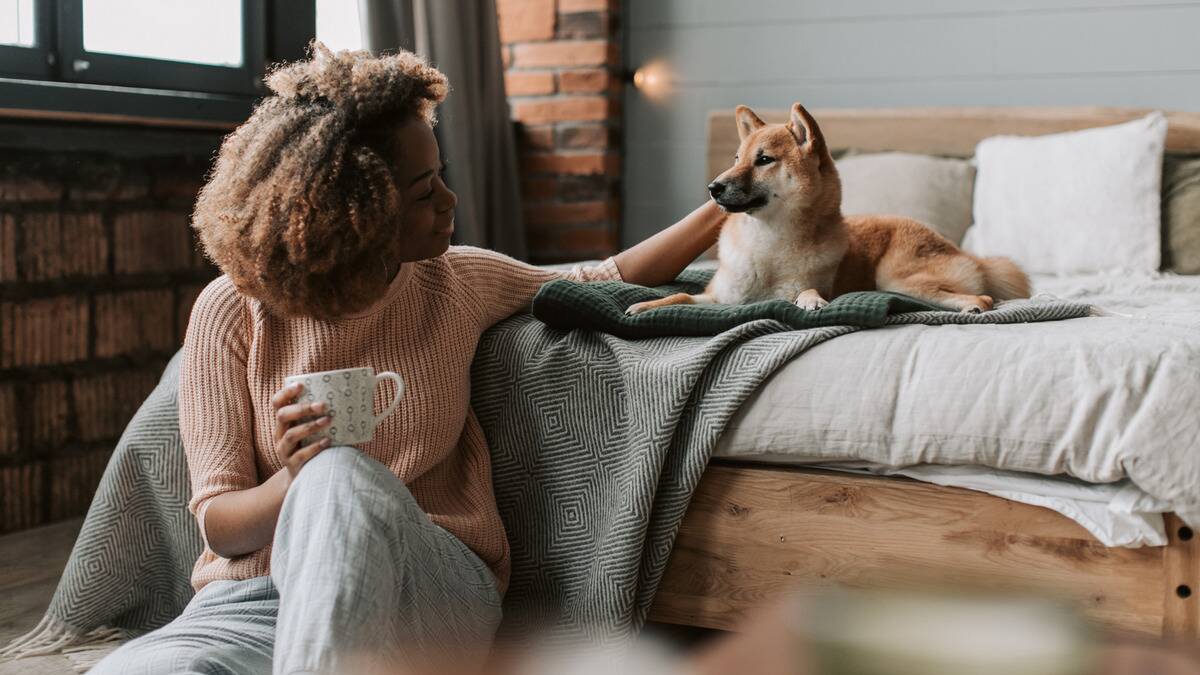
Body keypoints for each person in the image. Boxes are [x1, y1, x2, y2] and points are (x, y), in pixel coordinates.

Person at [90, 43, 723, 675]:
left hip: (424, 593)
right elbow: (222, 529)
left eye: (440, 178)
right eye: (424, 193)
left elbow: (601, 276)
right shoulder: (230, 311)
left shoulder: (457, 282)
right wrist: (291, 477)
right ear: (353, 212)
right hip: (254, 604)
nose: (450, 201)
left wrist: (730, 201)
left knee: (342, 478)